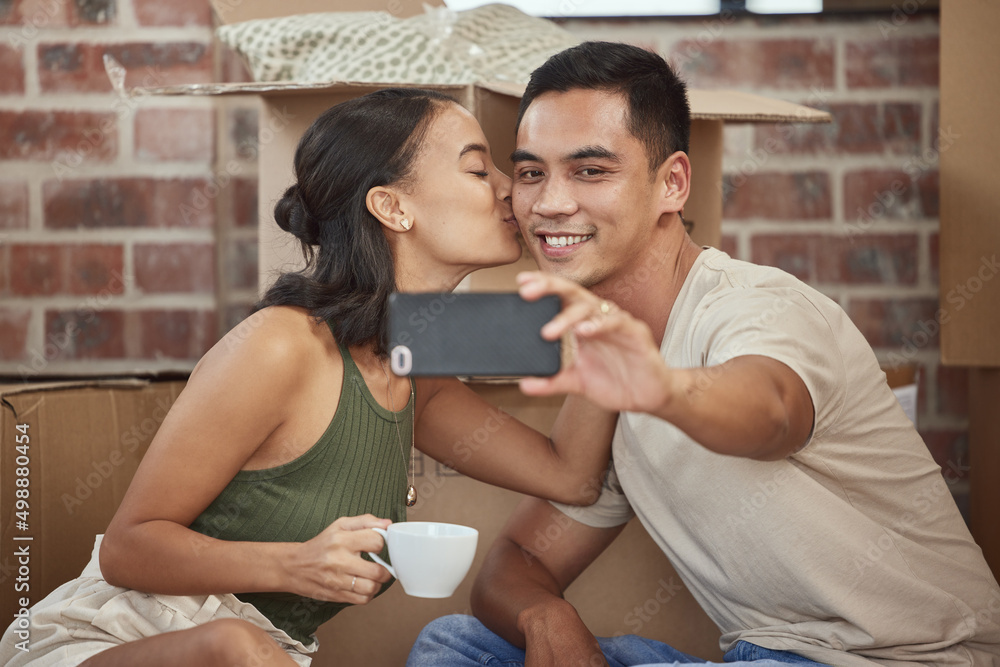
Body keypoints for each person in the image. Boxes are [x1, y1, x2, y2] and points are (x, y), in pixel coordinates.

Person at [407, 42, 1000, 667]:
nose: (549, 203)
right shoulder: (609, 360)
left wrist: (661, 387)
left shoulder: (754, 306)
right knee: (455, 647)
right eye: (530, 173)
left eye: (591, 171)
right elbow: (521, 561)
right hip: (754, 656)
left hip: (903, 659)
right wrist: (545, 615)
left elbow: (771, 411)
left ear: (673, 183)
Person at [0, 88, 616, 667]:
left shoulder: (413, 360)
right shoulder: (283, 344)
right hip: (122, 640)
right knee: (232, 646)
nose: (515, 191)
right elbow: (127, 549)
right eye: (481, 171)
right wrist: (294, 564)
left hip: (265, 655)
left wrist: (606, 294)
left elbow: (571, 476)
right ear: (393, 206)